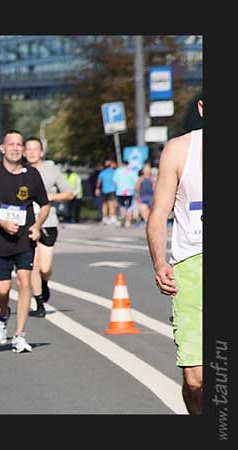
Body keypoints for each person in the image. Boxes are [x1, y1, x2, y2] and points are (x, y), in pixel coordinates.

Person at [147, 99, 202, 415]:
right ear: (202, 108)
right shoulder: (179, 150)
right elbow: (158, 213)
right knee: (196, 380)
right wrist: (159, 262)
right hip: (191, 265)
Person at [0, 130, 50, 353]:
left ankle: (20, 335)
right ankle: (2, 316)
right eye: (11, 144)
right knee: (2, 288)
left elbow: (45, 205)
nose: (15, 148)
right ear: (2, 148)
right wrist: (0, 222)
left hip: (25, 239)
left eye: (19, 144)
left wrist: (37, 226)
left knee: (24, 282)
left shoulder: (31, 175)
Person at [23, 137, 74, 318]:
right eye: (28, 149)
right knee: (33, 265)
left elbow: (69, 193)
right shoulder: (20, 170)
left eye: (35, 149)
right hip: (27, 222)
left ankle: (44, 283)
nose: (32, 153)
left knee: (44, 268)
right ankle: (39, 304)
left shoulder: (52, 170)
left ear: (41, 152)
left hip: (48, 222)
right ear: (24, 152)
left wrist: (48, 198)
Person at [113, 158, 139, 227]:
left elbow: (115, 181)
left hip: (120, 191)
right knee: (130, 206)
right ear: (128, 164)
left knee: (122, 206)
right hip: (130, 191)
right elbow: (136, 182)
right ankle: (128, 221)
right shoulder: (133, 171)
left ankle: (123, 220)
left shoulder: (118, 171)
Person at [95, 159, 117, 225]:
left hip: (104, 190)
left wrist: (97, 189)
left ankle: (104, 218)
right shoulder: (114, 172)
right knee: (111, 204)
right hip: (112, 190)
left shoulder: (102, 172)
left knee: (104, 205)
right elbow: (116, 181)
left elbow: (99, 182)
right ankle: (112, 218)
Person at [134, 161, 156, 226]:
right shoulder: (141, 178)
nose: (147, 170)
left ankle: (150, 220)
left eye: (148, 169)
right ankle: (147, 220)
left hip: (151, 196)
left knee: (151, 210)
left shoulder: (152, 178)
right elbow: (136, 188)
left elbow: (154, 187)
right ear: (143, 170)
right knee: (143, 208)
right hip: (142, 197)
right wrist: (138, 195)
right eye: (146, 169)